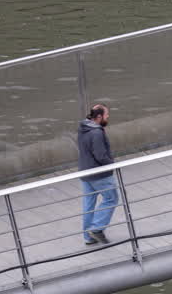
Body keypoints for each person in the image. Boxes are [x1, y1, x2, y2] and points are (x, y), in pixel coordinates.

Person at [77, 104, 117, 245]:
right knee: (111, 199)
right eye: (106, 115)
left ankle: (88, 237)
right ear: (99, 117)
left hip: (85, 172)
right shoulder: (97, 133)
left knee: (89, 204)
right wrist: (113, 164)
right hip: (99, 174)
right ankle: (96, 229)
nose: (108, 117)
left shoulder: (83, 128)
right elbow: (100, 156)